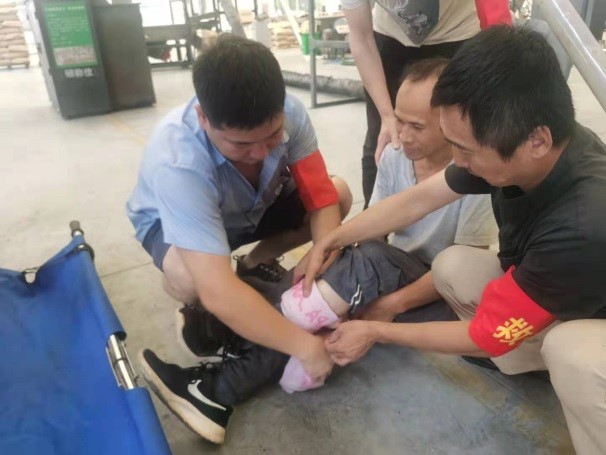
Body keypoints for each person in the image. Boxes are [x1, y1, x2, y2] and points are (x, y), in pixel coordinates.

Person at [300, 26, 606, 455]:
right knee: (454, 265)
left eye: (466, 150)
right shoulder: (527, 147)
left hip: (591, 325)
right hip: (569, 296)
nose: (457, 161)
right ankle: (527, 362)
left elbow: (485, 335)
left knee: (571, 352)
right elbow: (416, 201)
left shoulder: (584, 222)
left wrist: (374, 330)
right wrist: (331, 240)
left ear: (537, 140)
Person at [126, 35, 352, 444]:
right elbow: (217, 290)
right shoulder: (178, 161)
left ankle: (252, 267)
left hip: (253, 206)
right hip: (179, 224)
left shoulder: (291, 113)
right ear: (203, 118)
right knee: (193, 279)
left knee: (340, 195)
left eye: (272, 136)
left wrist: (323, 272)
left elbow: (321, 198)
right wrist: (304, 346)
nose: (260, 153)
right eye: (241, 144)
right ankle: (211, 320)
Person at [341, 0, 512, 206]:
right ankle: (374, 218)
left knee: (467, 138)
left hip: (457, 34)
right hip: (391, 39)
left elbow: (494, 11)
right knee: (385, 138)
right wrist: (387, 116)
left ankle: (475, 219)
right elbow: (360, 37)